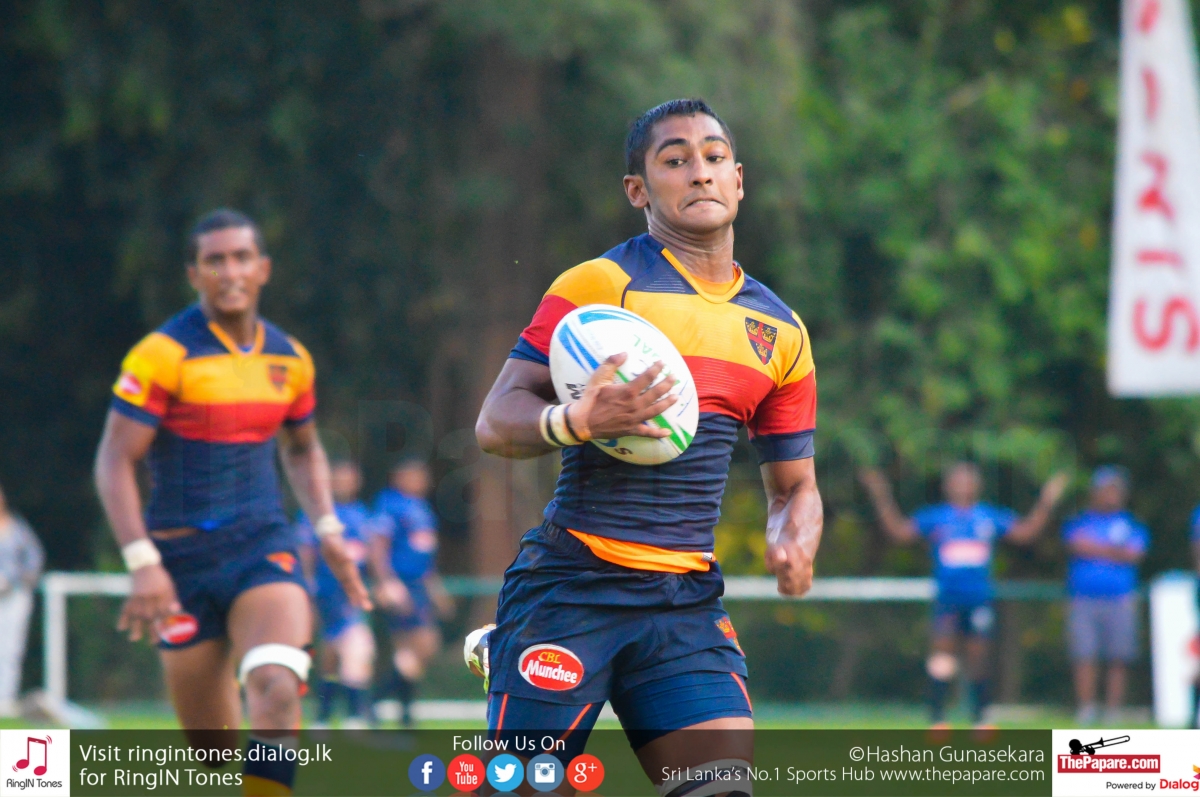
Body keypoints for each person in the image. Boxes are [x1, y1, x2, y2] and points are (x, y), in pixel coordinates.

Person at [471, 98, 822, 793]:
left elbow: (795, 486)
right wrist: (575, 421)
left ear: (739, 180)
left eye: (714, 157)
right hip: (572, 587)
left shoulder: (781, 330)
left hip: (684, 605)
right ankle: (514, 644)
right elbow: (496, 420)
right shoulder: (600, 287)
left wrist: (794, 538)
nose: (700, 172)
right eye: (675, 160)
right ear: (638, 190)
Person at [93, 208, 369, 797]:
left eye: (241, 257)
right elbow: (114, 460)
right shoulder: (161, 355)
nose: (230, 271)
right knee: (215, 752)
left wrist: (327, 528)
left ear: (263, 268)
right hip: (180, 564)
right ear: (194, 275)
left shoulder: (290, 358)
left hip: (260, 548)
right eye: (214, 260)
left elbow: (303, 449)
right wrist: (142, 562)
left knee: (276, 686)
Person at [859, 462, 1067, 726]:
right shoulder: (937, 517)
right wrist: (881, 495)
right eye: (956, 481)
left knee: (978, 657)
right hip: (948, 599)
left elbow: (1025, 533)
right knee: (942, 656)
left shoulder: (987, 516)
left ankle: (980, 718)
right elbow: (900, 532)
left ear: (977, 486)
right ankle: (937, 719)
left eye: (967, 481)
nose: (962, 486)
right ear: (947, 486)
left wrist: (1046, 500)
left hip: (978, 599)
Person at [368, 459, 451, 726]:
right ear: (399, 476)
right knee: (419, 645)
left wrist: (435, 590)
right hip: (401, 583)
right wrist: (386, 582)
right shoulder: (389, 504)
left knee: (411, 654)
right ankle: (381, 704)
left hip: (419, 585)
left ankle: (393, 709)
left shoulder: (422, 508)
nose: (421, 480)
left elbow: (425, 555)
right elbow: (378, 546)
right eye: (415, 475)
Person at [1063, 466, 1147, 725]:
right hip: (1083, 598)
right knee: (1084, 654)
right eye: (1106, 490)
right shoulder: (1080, 521)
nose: (1111, 496)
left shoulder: (1131, 524)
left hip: (1120, 599)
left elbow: (1134, 554)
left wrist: (1095, 548)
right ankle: (1086, 708)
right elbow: (1076, 545)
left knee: (1118, 656)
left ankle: (1113, 711)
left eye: (1116, 490)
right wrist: (1114, 551)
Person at [296, 460, 376, 728]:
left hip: (352, 593)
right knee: (336, 652)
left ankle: (340, 714)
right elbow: (306, 550)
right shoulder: (317, 513)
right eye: (339, 479)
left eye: (349, 479)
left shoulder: (362, 513)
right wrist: (307, 585)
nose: (344, 484)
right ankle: (345, 714)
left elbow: (370, 553)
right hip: (326, 591)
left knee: (353, 648)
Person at [0, 484, 44, 718]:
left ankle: (4, 699)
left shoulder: (17, 528)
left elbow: (34, 559)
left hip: (14, 596)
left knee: (10, 648)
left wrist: (14, 579)